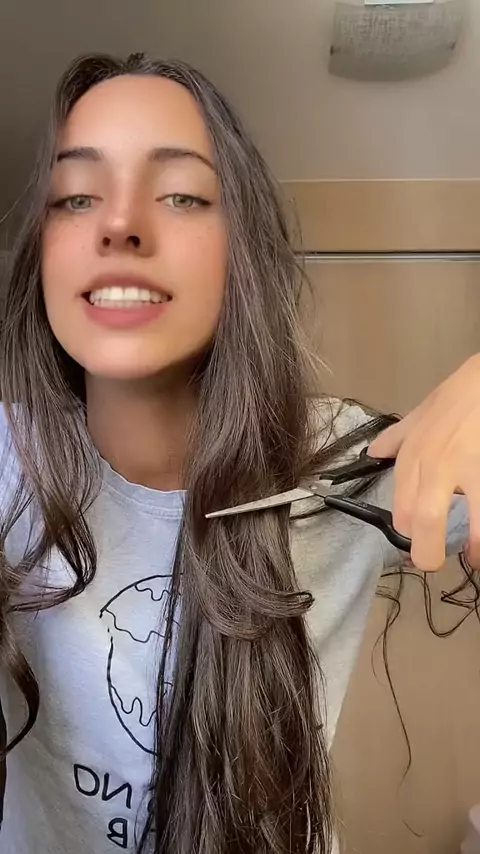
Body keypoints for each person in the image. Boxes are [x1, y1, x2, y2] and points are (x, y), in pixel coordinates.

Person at [0, 51, 479, 854]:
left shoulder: (342, 462)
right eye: (76, 196)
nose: (119, 224)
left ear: (242, 251)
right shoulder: (8, 461)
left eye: (181, 195)